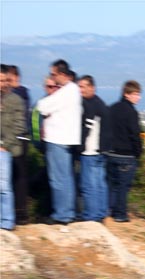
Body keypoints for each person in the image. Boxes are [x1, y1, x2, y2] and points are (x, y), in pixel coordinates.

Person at [35, 59, 82, 225]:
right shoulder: (71, 90)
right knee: (66, 177)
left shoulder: (67, 91)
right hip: (64, 139)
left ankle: (62, 214)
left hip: (57, 139)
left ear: (61, 74)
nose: (52, 78)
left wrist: (47, 108)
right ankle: (67, 211)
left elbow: (42, 106)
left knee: (58, 178)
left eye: (53, 74)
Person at [106, 80, 142, 223]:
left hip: (110, 152)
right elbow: (134, 134)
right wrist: (138, 152)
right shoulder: (131, 112)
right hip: (126, 154)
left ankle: (109, 210)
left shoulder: (112, 108)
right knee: (123, 186)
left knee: (111, 185)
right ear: (126, 94)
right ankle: (120, 214)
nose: (138, 97)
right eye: (135, 94)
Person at [77, 75, 110, 222]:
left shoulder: (89, 104)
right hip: (101, 150)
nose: (80, 90)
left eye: (83, 86)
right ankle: (101, 212)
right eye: (79, 86)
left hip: (90, 150)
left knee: (89, 185)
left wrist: (79, 147)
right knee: (99, 184)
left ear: (92, 87)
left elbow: (87, 128)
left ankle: (91, 215)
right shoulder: (101, 103)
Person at [0, 66, 26, 230]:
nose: (2, 83)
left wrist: (4, 145)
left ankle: (7, 221)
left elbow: (19, 126)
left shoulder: (15, 100)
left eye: (3, 80)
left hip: (4, 148)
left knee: (3, 187)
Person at [6, 65, 30, 225]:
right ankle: (18, 212)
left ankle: (20, 212)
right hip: (18, 139)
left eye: (9, 79)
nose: (6, 83)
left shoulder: (19, 93)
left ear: (16, 78)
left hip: (19, 139)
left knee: (18, 177)